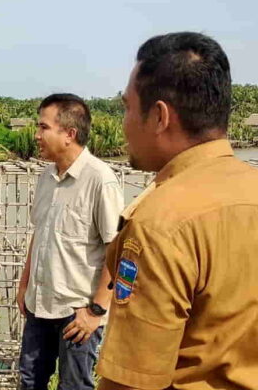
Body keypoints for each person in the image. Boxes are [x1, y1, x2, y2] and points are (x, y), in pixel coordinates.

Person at [97, 32, 258, 390]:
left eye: (126, 107)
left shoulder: (159, 223)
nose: (124, 123)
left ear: (158, 116)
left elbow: (134, 380)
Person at [16, 93, 124, 390]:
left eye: (43, 127)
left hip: (77, 314)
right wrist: (25, 284)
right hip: (40, 304)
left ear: (69, 134)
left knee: (74, 386)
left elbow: (116, 249)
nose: (36, 135)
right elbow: (40, 233)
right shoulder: (46, 177)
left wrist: (96, 312)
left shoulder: (100, 179)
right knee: (29, 381)